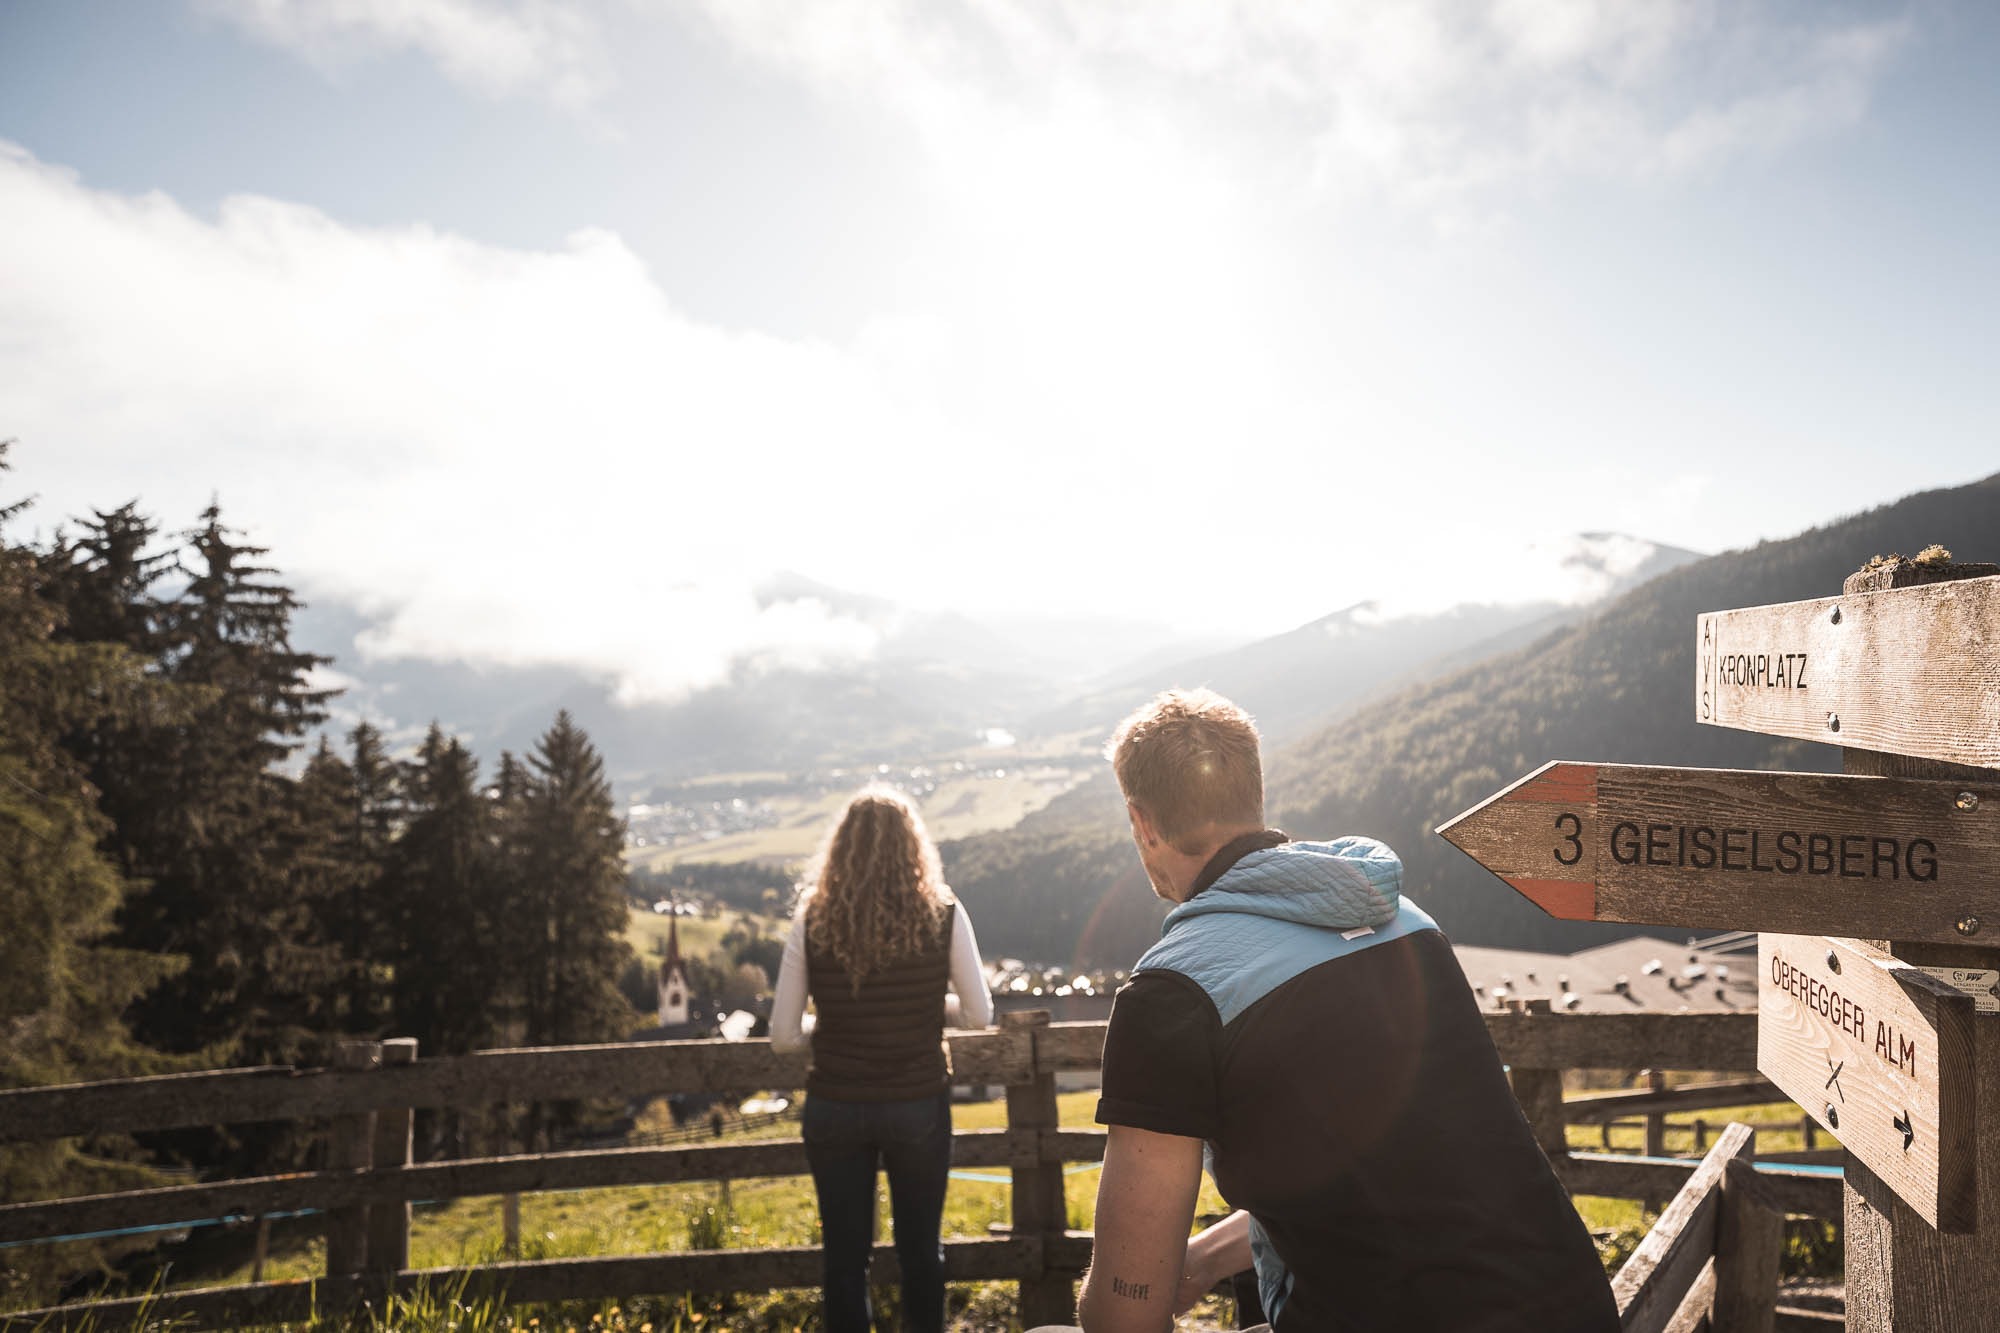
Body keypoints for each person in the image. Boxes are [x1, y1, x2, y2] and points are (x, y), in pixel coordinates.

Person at [1037, 688, 1618, 1333]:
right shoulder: (1407, 924)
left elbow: (1125, 1317)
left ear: (1141, 822)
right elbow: (1395, 1177)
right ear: (1253, 795)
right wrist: (1204, 1258)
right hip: (1574, 1308)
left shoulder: (1173, 991)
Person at [771, 785, 994, 1333]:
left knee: (844, 1260)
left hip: (835, 1105)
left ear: (840, 849)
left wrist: (832, 1020)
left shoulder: (813, 916)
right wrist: (929, 1007)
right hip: (917, 1104)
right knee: (921, 1252)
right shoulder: (942, 911)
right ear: (913, 848)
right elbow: (979, 1014)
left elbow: (783, 1036)